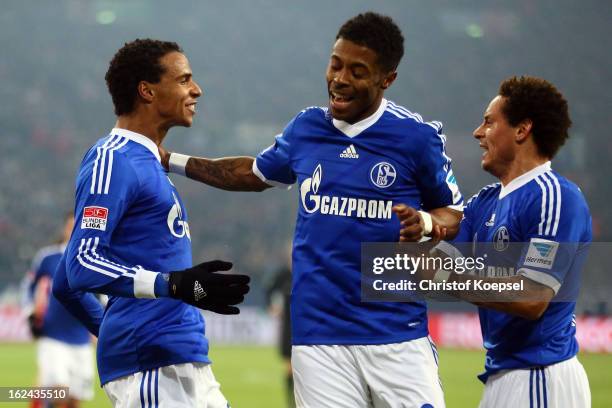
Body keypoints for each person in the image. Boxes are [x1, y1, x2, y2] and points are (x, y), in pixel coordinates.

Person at [161, 12, 463, 407]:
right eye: (335, 64)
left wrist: (425, 222)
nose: (339, 79)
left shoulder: (417, 138)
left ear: (386, 79)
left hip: (396, 334)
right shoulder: (307, 129)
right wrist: (168, 159)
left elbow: (452, 215)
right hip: (318, 340)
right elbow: (248, 173)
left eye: (357, 71)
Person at [52, 39, 250, 408]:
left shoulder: (148, 163)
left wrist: (111, 331)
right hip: (154, 367)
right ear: (147, 90)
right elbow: (80, 264)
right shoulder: (112, 159)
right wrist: (172, 284)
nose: (196, 89)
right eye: (184, 79)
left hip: (178, 356)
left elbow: (64, 280)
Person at [409, 76, 591, 407]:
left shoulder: (554, 197)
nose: (479, 133)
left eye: (489, 123)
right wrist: (418, 225)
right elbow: (431, 267)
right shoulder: (485, 203)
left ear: (522, 130)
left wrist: (447, 274)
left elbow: (532, 296)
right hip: (501, 376)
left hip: (540, 376)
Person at [27, 213, 95, 408]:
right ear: (65, 229)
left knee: (75, 399)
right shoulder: (48, 258)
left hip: (81, 340)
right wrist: (31, 314)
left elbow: (102, 298)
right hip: (53, 336)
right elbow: (29, 288)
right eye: (71, 227)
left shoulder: (93, 259)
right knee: (59, 393)